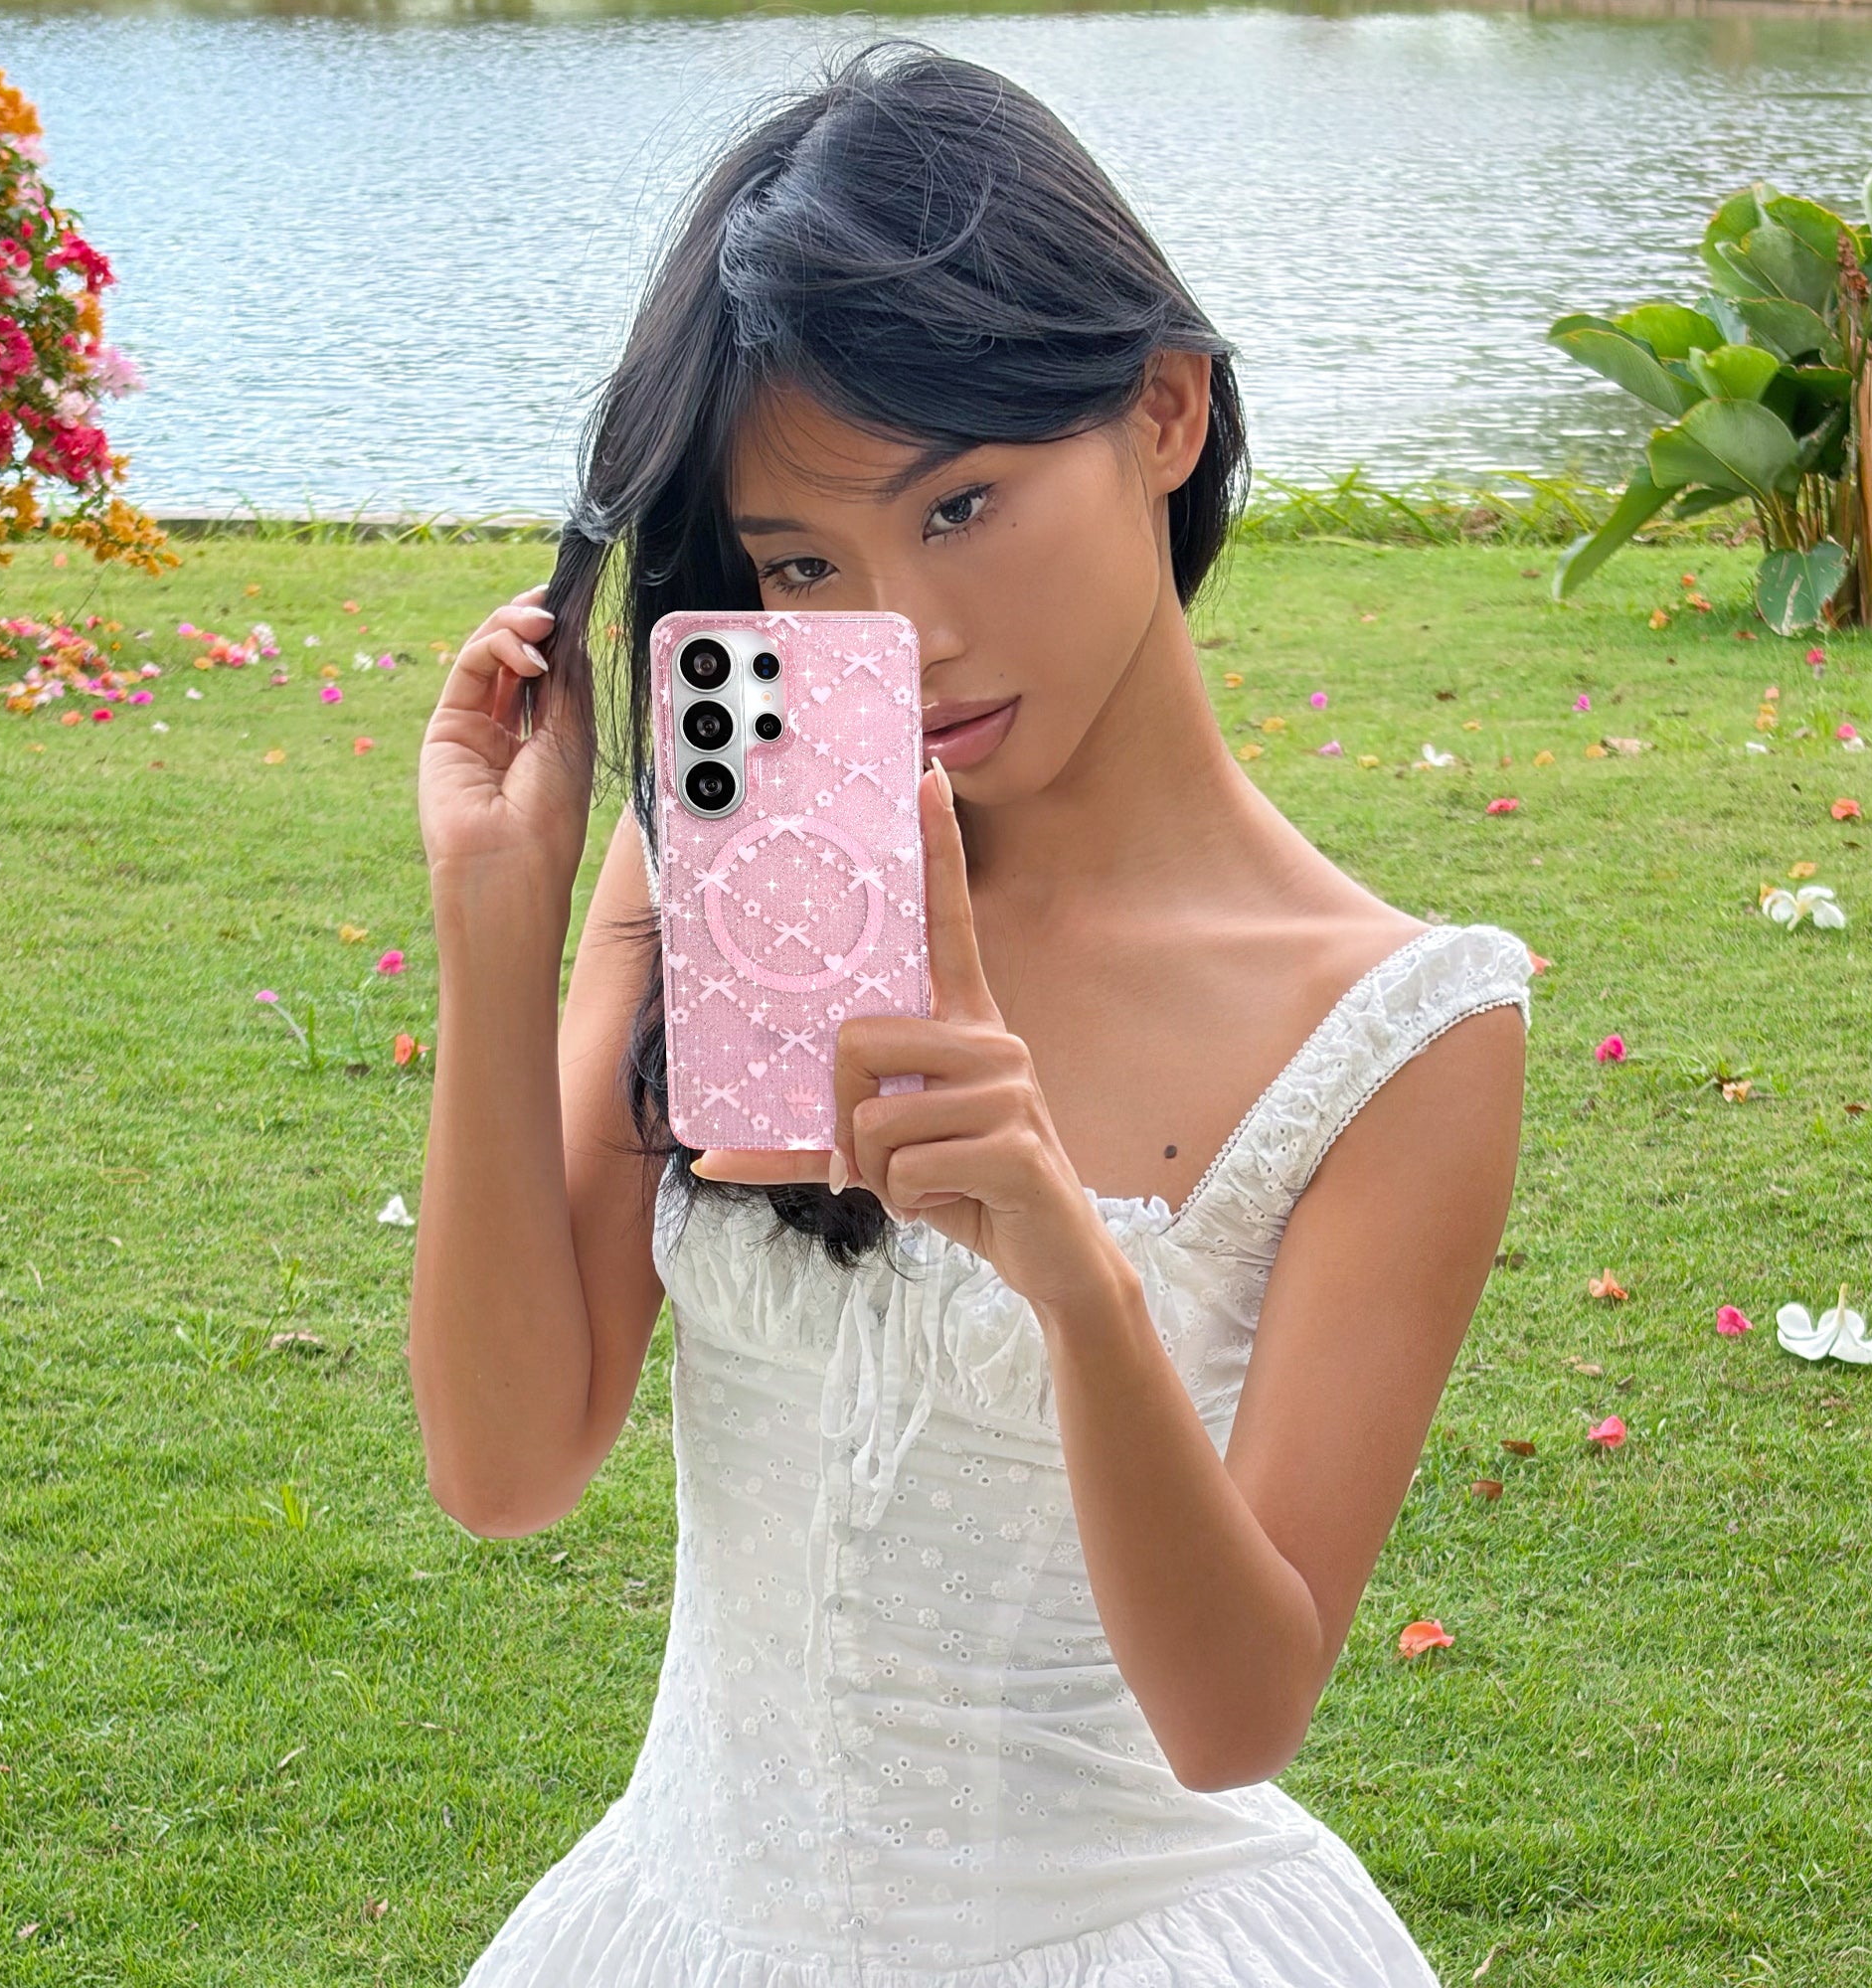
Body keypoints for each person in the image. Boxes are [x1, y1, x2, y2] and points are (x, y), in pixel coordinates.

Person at [411, 36, 1532, 1987]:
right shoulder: (720, 877)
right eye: (802, 561)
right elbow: (507, 1469)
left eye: (959, 508)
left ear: (1162, 411)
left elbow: (1236, 1713)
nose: (901, 634)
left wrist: (1072, 1276)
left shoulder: (1396, 1031)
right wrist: (498, 935)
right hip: (678, 1924)